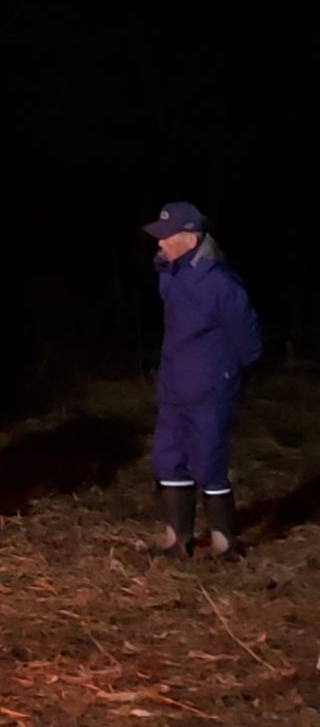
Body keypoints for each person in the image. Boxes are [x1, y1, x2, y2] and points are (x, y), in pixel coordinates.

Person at [144, 199, 261, 561]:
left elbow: (248, 338)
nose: (160, 243)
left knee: (208, 459)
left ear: (191, 240)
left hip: (210, 386)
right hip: (175, 383)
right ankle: (177, 540)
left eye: (167, 237)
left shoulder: (219, 283)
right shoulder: (171, 272)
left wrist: (229, 373)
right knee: (168, 457)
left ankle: (225, 544)